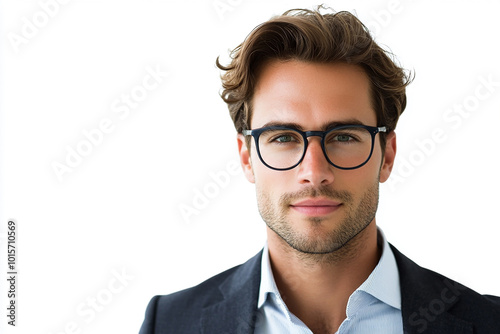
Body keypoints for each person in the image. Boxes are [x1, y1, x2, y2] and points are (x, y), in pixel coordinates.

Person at [139, 6, 500, 334]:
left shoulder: (489, 322)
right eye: (283, 138)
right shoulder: (169, 323)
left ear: (386, 155)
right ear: (247, 157)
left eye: (343, 135)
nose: (314, 171)